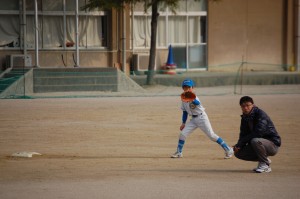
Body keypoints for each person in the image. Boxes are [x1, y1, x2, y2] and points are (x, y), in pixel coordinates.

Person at [171, 79, 233, 159]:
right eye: (185, 87)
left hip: (202, 118)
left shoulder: (194, 97)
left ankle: (228, 149)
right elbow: (185, 112)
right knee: (182, 134)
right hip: (193, 120)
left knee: (211, 135)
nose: (187, 89)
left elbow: (197, 103)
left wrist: (191, 98)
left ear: (192, 88)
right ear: (183, 88)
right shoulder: (183, 99)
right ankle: (179, 152)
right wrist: (183, 123)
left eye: (189, 87)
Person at [233, 96, 281, 173]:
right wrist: (238, 145)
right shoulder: (245, 118)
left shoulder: (261, 114)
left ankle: (264, 165)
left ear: (253, 105)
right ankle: (264, 160)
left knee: (255, 140)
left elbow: (258, 133)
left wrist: (242, 142)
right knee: (238, 153)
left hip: (272, 145)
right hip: (258, 144)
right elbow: (243, 134)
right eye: (243, 106)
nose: (245, 108)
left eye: (248, 105)